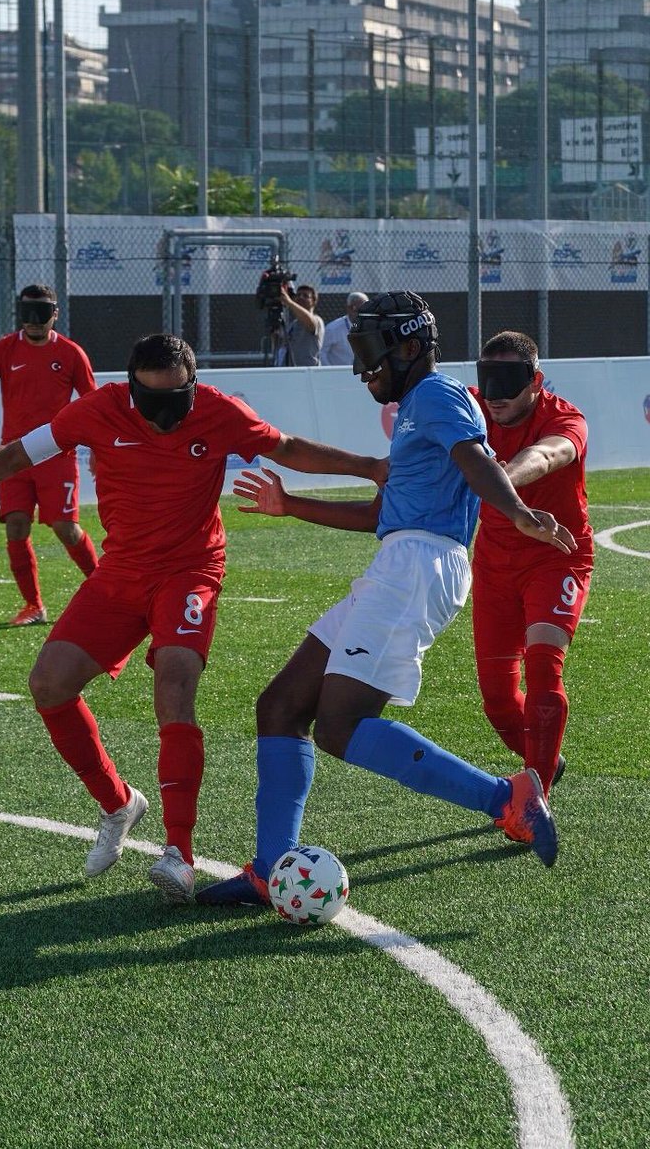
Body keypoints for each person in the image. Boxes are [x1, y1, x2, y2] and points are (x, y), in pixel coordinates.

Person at [0, 333, 389, 904]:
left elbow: (288, 448)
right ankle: (118, 803)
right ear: (130, 386)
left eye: (175, 401)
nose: (163, 415)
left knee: (175, 685)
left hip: (190, 571)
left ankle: (178, 854)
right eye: (151, 401)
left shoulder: (219, 412)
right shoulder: (98, 409)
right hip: (122, 572)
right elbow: (17, 452)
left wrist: (370, 466)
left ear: (194, 384)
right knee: (49, 685)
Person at [196, 292, 576, 909]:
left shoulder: (437, 395)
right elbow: (381, 514)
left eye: (369, 351)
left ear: (410, 346)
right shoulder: (414, 410)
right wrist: (291, 505)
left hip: (420, 568)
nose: (359, 367)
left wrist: (518, 512)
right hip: (400, 562)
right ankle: (270, 868)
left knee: (340, 726)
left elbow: (476, 460)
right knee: (281, 706)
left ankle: (506, 799)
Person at [471, 331, 594, 802]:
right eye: (488, 381)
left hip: (556, 553)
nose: (496, 395)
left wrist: (500, 482)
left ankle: (534, 800)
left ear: (536, 381)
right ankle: (545, 762)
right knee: (499, 702)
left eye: (509, 381)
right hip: (493, 562)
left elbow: (547, 455)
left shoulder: (566, 418)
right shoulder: (472, 409)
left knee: (544, 665)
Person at [0, 283, 99, 626]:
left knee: (65, 527)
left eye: (42, 314)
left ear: (55, 314)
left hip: (57, 454)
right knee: (16, 525)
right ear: (19, 315)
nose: (34, 321)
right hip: (12, 458)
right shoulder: (4, 351)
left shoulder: (71, 354)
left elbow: (93, 405)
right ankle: (34, 606)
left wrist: (99, 449)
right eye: (27, 314)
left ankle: (106, 592)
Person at [273, 283, 324, 367]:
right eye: (298, 295)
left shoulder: (317, 320)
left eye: (305, 296)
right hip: (292, 371)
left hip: (309, 372)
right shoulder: (293, 324)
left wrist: (289, 302)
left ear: (314, 301)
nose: (301, 297)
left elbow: (310, 323)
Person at [320, 291, 369, 366]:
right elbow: (322, 352)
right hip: (338, 374)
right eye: (355, 308)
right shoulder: (333, 328)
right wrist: (330, 372)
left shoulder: (371, 327)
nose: (360, 312)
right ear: (348, 308)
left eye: (363, 308)